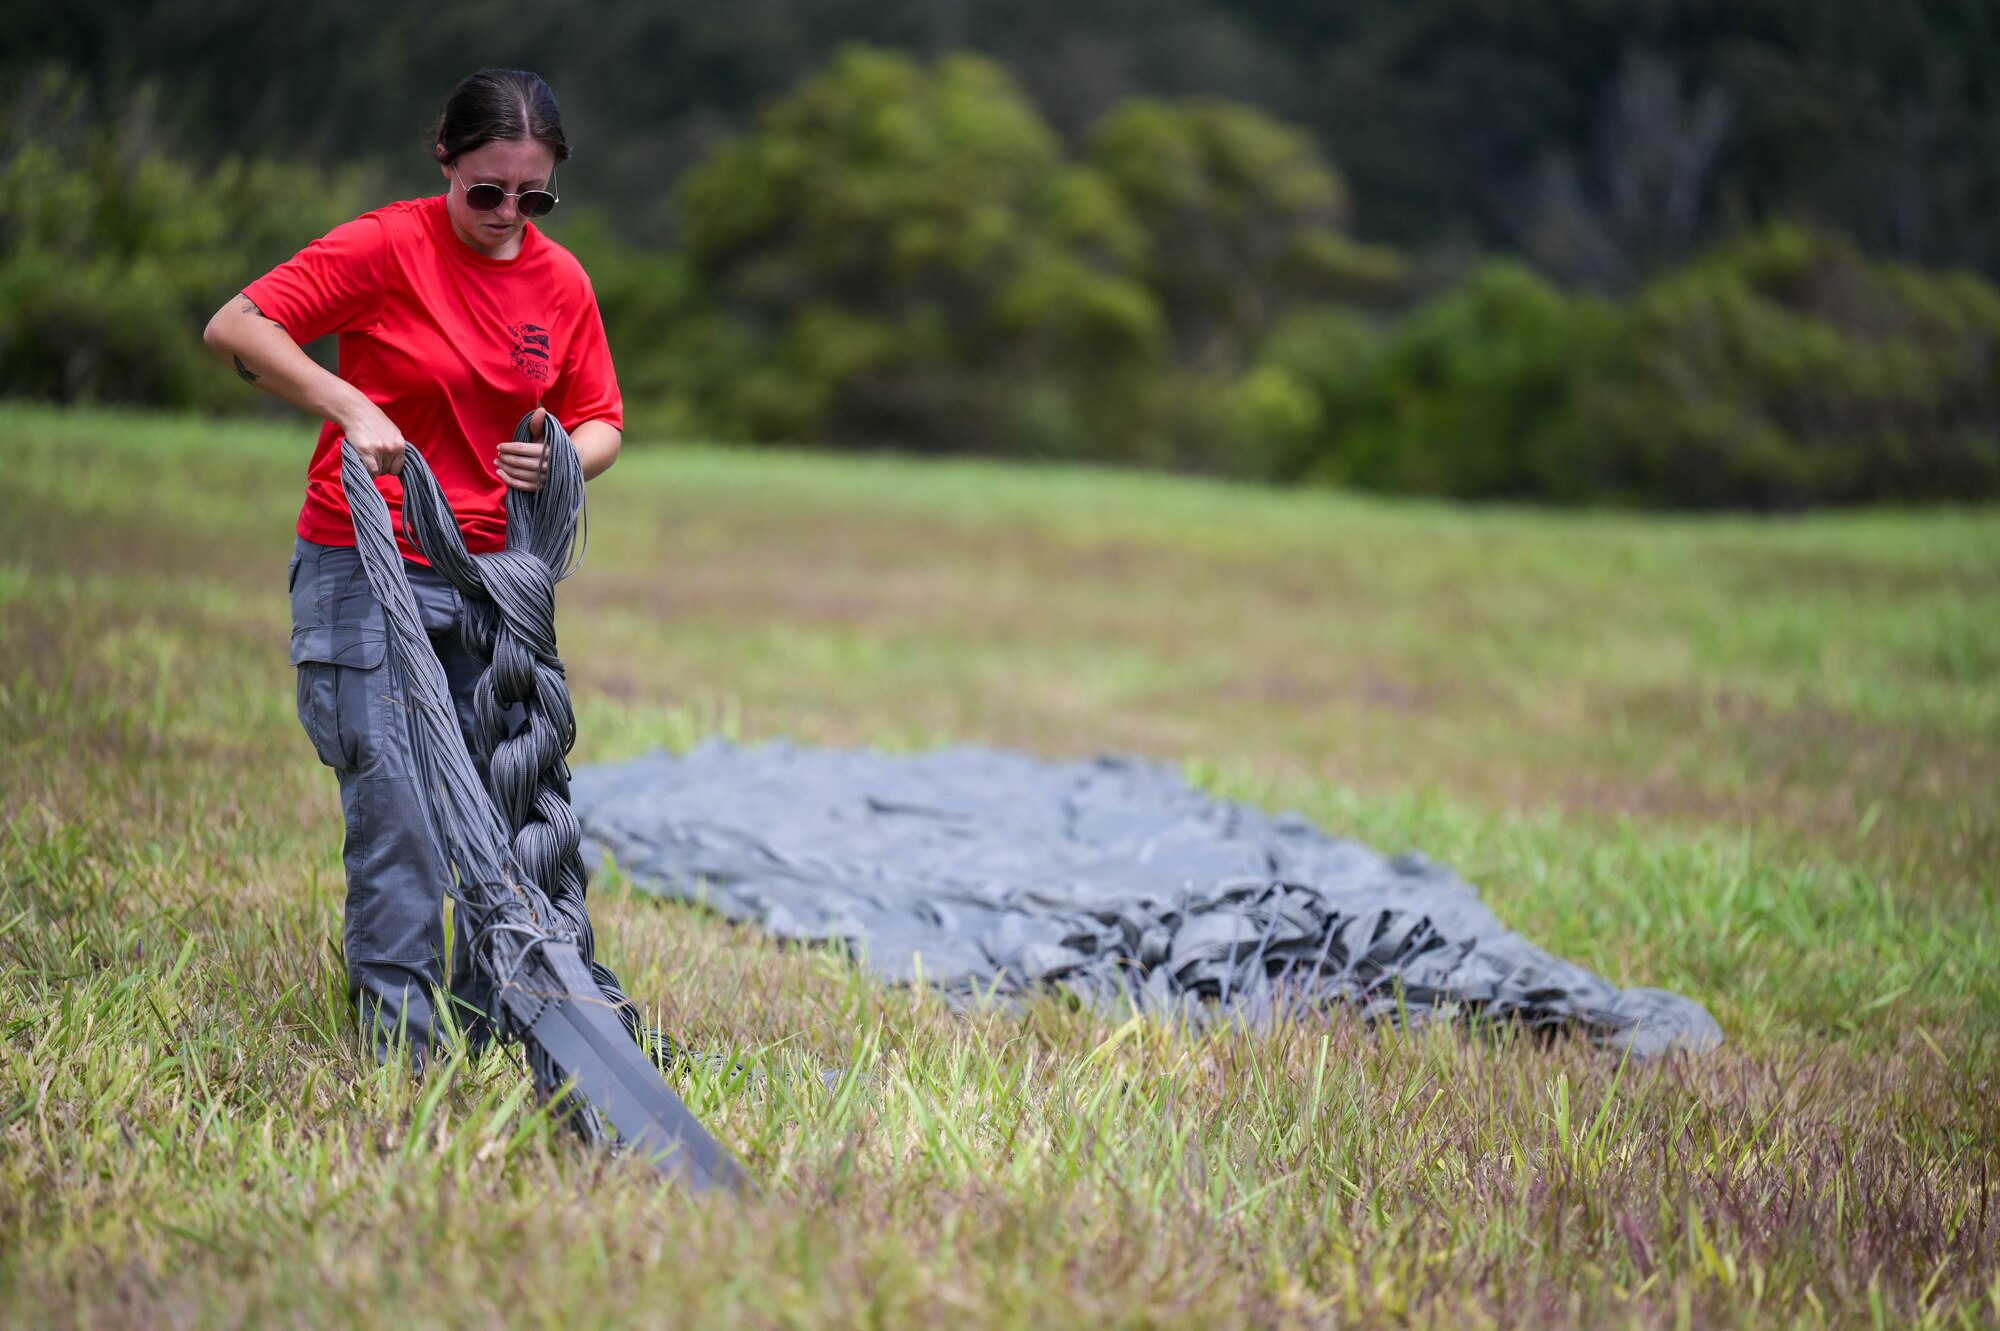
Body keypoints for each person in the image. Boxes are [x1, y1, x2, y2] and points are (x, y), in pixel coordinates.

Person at [201, 68, 624, 1064]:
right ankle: (403, 1052)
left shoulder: (559, 280)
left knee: (497, 810)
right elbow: (238, 327)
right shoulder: (387, 246)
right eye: (486, 191)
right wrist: (347, 403)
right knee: (401, 815)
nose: (508, 213)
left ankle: (497, 1026)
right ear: (445, 161)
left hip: (490, 580)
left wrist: (563, 451)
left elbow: (601, 418)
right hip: (365, 561)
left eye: (534, 196)